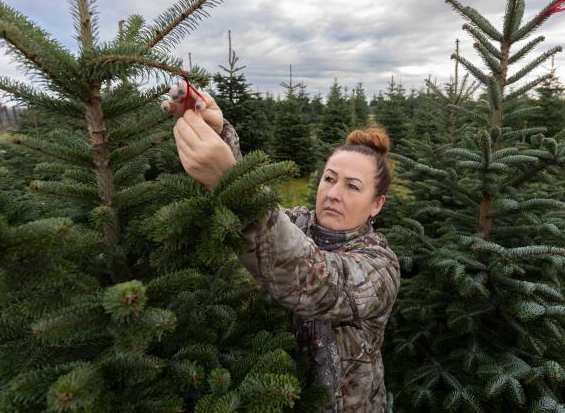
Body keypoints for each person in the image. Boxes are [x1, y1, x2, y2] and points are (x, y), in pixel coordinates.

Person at [162, 81, 400, 412]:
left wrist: (236, 188)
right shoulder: (297, 223)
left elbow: (314, 279)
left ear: (376, 204)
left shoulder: (380, 266)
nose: (332, 193)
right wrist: (219, 133)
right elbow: (258, 226)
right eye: (329, 178)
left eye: (352, 186)